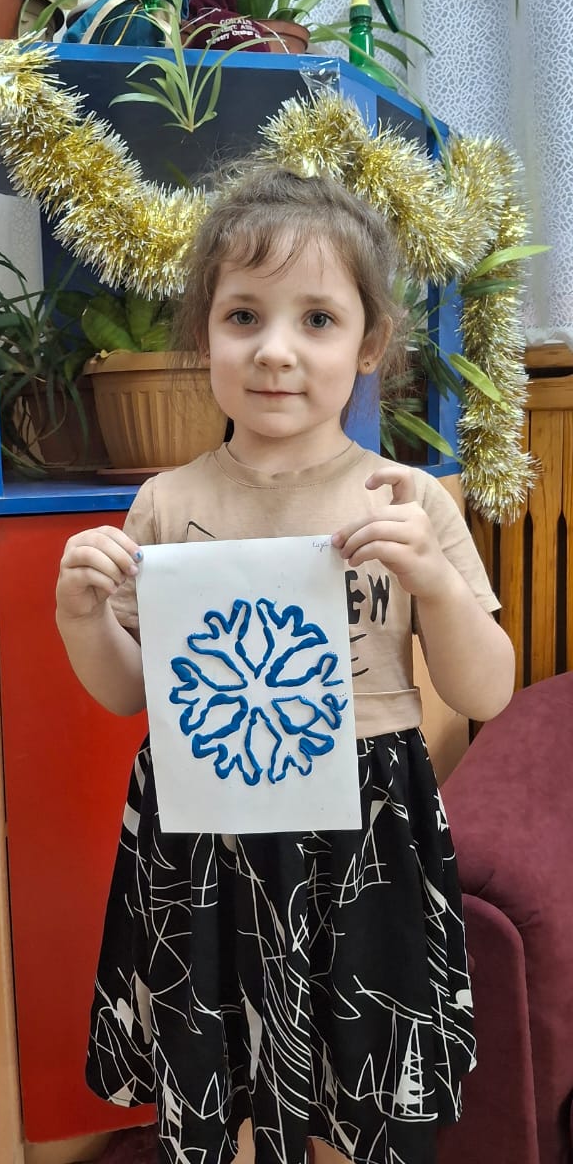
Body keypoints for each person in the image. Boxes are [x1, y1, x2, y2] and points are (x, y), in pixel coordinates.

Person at [55, 164, 515, 1164]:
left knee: (363, 1080)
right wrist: (80, 614)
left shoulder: (406, 499)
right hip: (205, 829)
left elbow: (486, 688)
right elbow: (131, 691)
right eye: (242, 316)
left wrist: (435, 582)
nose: (275, 350)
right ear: (204, 333)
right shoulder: (167, 503)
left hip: (366, 823)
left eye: (317, 319)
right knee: (224, 1067)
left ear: (368, 345)